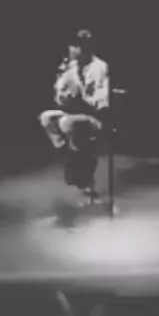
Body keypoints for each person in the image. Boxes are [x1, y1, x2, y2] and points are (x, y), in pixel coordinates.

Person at [39, 29, 109, 201]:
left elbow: (101, 101)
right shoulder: (70, 68)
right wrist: (61, 85)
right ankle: (67, 153)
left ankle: (83, 174)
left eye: (76, 46)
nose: (72, 49)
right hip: (72, 113)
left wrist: (80, 91)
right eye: (72, 45)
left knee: (69, 123)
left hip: (93, 116)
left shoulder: (99, 67)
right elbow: (60, 101)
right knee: (47, 117)